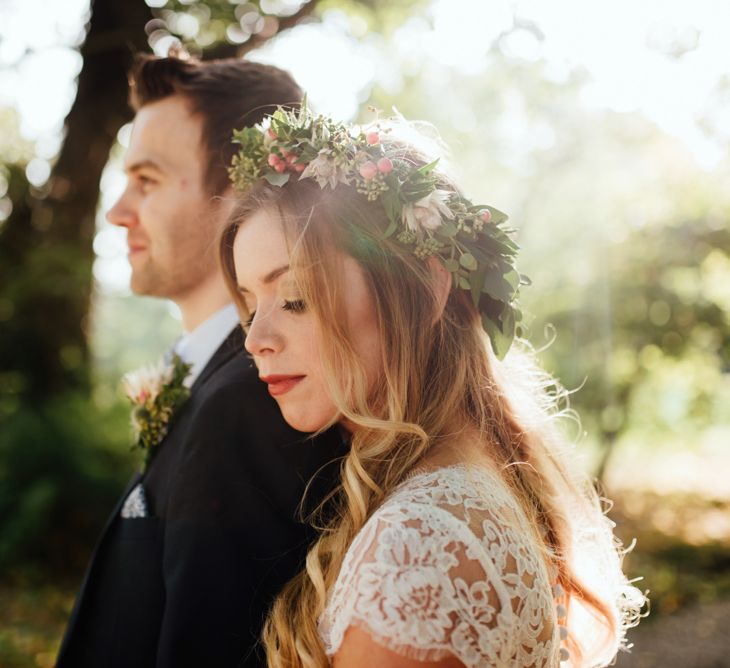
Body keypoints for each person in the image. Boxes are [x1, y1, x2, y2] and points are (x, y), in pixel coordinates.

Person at [219, 106, 645, 667]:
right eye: (251, 306)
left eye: (295, 298)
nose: (256, 340)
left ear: (423, 289)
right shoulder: (475, 485)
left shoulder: (415, 552)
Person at [57, 56, 344, 668]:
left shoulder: (254, 400)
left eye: (148, 179)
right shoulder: (216, 383)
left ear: (237, 192)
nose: (117, 210)